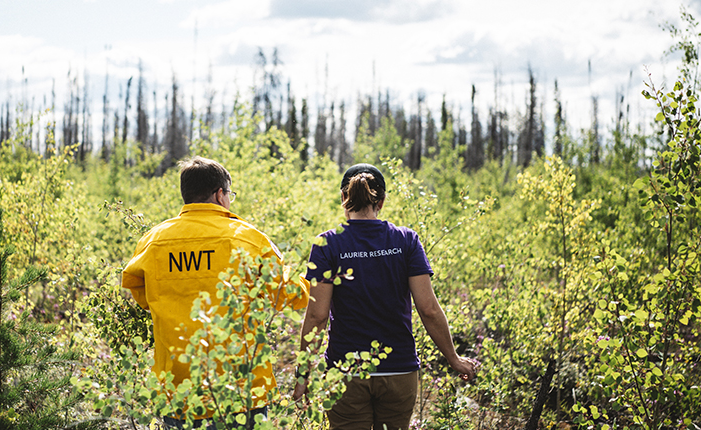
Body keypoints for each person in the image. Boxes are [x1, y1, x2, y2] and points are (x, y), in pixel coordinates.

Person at [121, 156, 309, 429]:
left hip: (177, 388)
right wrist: (314, 279)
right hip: (240, 389)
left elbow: (138, 290)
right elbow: (292, 296)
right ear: (220, 194)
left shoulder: (154, 241)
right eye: (229, 194)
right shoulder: (247, 238)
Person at [293, 163, 479, 430]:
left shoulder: (327, 244)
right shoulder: (406, 240)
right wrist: (453, 358)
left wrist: (303, 375)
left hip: (346, 373)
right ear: (381, 200)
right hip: (399, 370)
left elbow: (317, 315)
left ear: (343, 199)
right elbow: (428, 309)